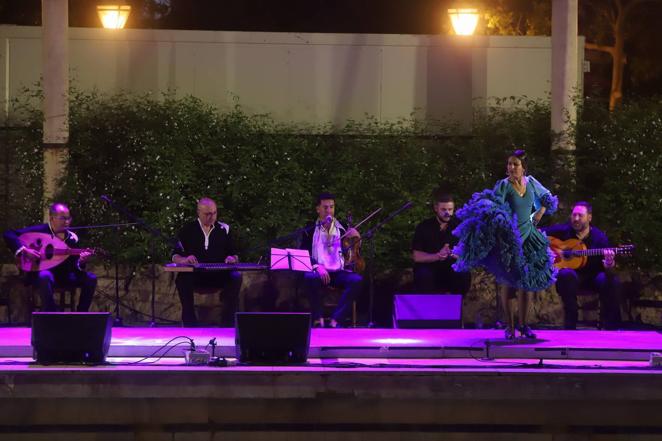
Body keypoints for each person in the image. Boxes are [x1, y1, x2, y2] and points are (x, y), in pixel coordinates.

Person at [452, 149, 558, 339]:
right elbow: (494, 205)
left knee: (526, 284)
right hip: (511, 240)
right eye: (509, 164)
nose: (511, 167)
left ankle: (524, 325)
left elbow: (548, 199)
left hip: (529, 237)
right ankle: (509, 327)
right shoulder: (504, 185)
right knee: (509, 284)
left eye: (515, 164)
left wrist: (540, 211)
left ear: (523, 168)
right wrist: (502, 222)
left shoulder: (531, 183)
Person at [3, 202, 97, 312]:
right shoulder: (39, 230)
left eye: (69, 218)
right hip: (42, 274)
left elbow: (74, 265)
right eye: (63, 218)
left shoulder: (72, 238)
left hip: (65, 276)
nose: (67, 222)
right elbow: (8, 234)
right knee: (45, 276)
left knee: (91, 278)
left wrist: (81, 262)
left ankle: (82, 315)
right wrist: (24, 250)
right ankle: (51, 314)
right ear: (52, 218)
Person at [543, 201, 621, 330]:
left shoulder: (599, 238)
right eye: (574, 215)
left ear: (589, 218)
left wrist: (609, 262)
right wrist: (549, 252)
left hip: (593, 278)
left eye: (580, 215)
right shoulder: (563, 231)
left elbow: (609, 268)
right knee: (566, 274)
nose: (576, 219)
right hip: (571, 280)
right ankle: (570, 323)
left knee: (612, 280)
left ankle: (611, 327)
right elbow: (539, 233)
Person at [172, 197, 242, 327]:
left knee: (235, 277)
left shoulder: (224, 229)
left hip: (219, 275)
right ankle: (190, 323)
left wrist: (232, 259)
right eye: (208, 214)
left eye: (214, 213)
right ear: (198, 212)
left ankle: (227, 323)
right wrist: (184, 259)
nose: (212, 217)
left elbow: (234, 254)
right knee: (182, 279)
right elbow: (175, 256)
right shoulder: (187, 230)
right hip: (196, 275)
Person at [298, 192, 363, 328]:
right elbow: (303, 253)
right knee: (309, 277)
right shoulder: (310, 229)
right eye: (325, 207)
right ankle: (318, 319)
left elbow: (352, 252)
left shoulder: (343, 227)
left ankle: (336, 319)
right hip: (319, 272)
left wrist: (357, 239)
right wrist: (317, 266)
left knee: (357, 280)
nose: (329, 211)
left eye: (332, 207)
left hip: (338, 272)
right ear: (318, 209)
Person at [411, 190, 471, 295]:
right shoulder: (424, 226)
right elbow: (417, 256)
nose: (447, 213)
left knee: (463, 273)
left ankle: (456, 305)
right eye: (443, 209)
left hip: (451, 269)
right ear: (436, 208)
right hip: (430, 268)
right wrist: (437, 256)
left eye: (450, 209)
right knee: (423, 274)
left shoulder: (460, 226)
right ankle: (428, 307)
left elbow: (468, 254)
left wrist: (455, 254)